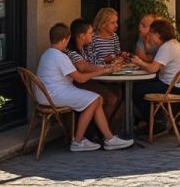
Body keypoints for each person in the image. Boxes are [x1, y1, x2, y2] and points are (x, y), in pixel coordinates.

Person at [36, 23, 134, 152]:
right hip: (54, 95)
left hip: (46, 94)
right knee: (94, 100)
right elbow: (80, 78)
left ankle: (109, 139)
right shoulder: (59, 56)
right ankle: (78, 141)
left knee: (97, 99)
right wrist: (103, 71)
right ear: (66, 39)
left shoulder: (48, 53)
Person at [129, 18, 180, 125]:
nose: (149, 35)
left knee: (136, 91)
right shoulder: (174, 44)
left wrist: (139, 62)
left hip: (171, 88)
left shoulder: (166, 47)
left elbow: (153, 69)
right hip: (177, 85)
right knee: (141, 85)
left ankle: (154, 122)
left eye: (151, 32)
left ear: (158, 34)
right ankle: (149, 119)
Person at [66, 18, 123, 122]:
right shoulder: (72, 51)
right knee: (112, 98)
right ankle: (96, 130)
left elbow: (93, 62)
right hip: (77, 85)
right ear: (82, 36)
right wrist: (107, 68)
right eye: (90, 33)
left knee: (119, 93)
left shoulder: (83, 49)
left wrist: (112, 63)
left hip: (88, 82)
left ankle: (108, 130)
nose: (93, 35)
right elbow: (83, 67)